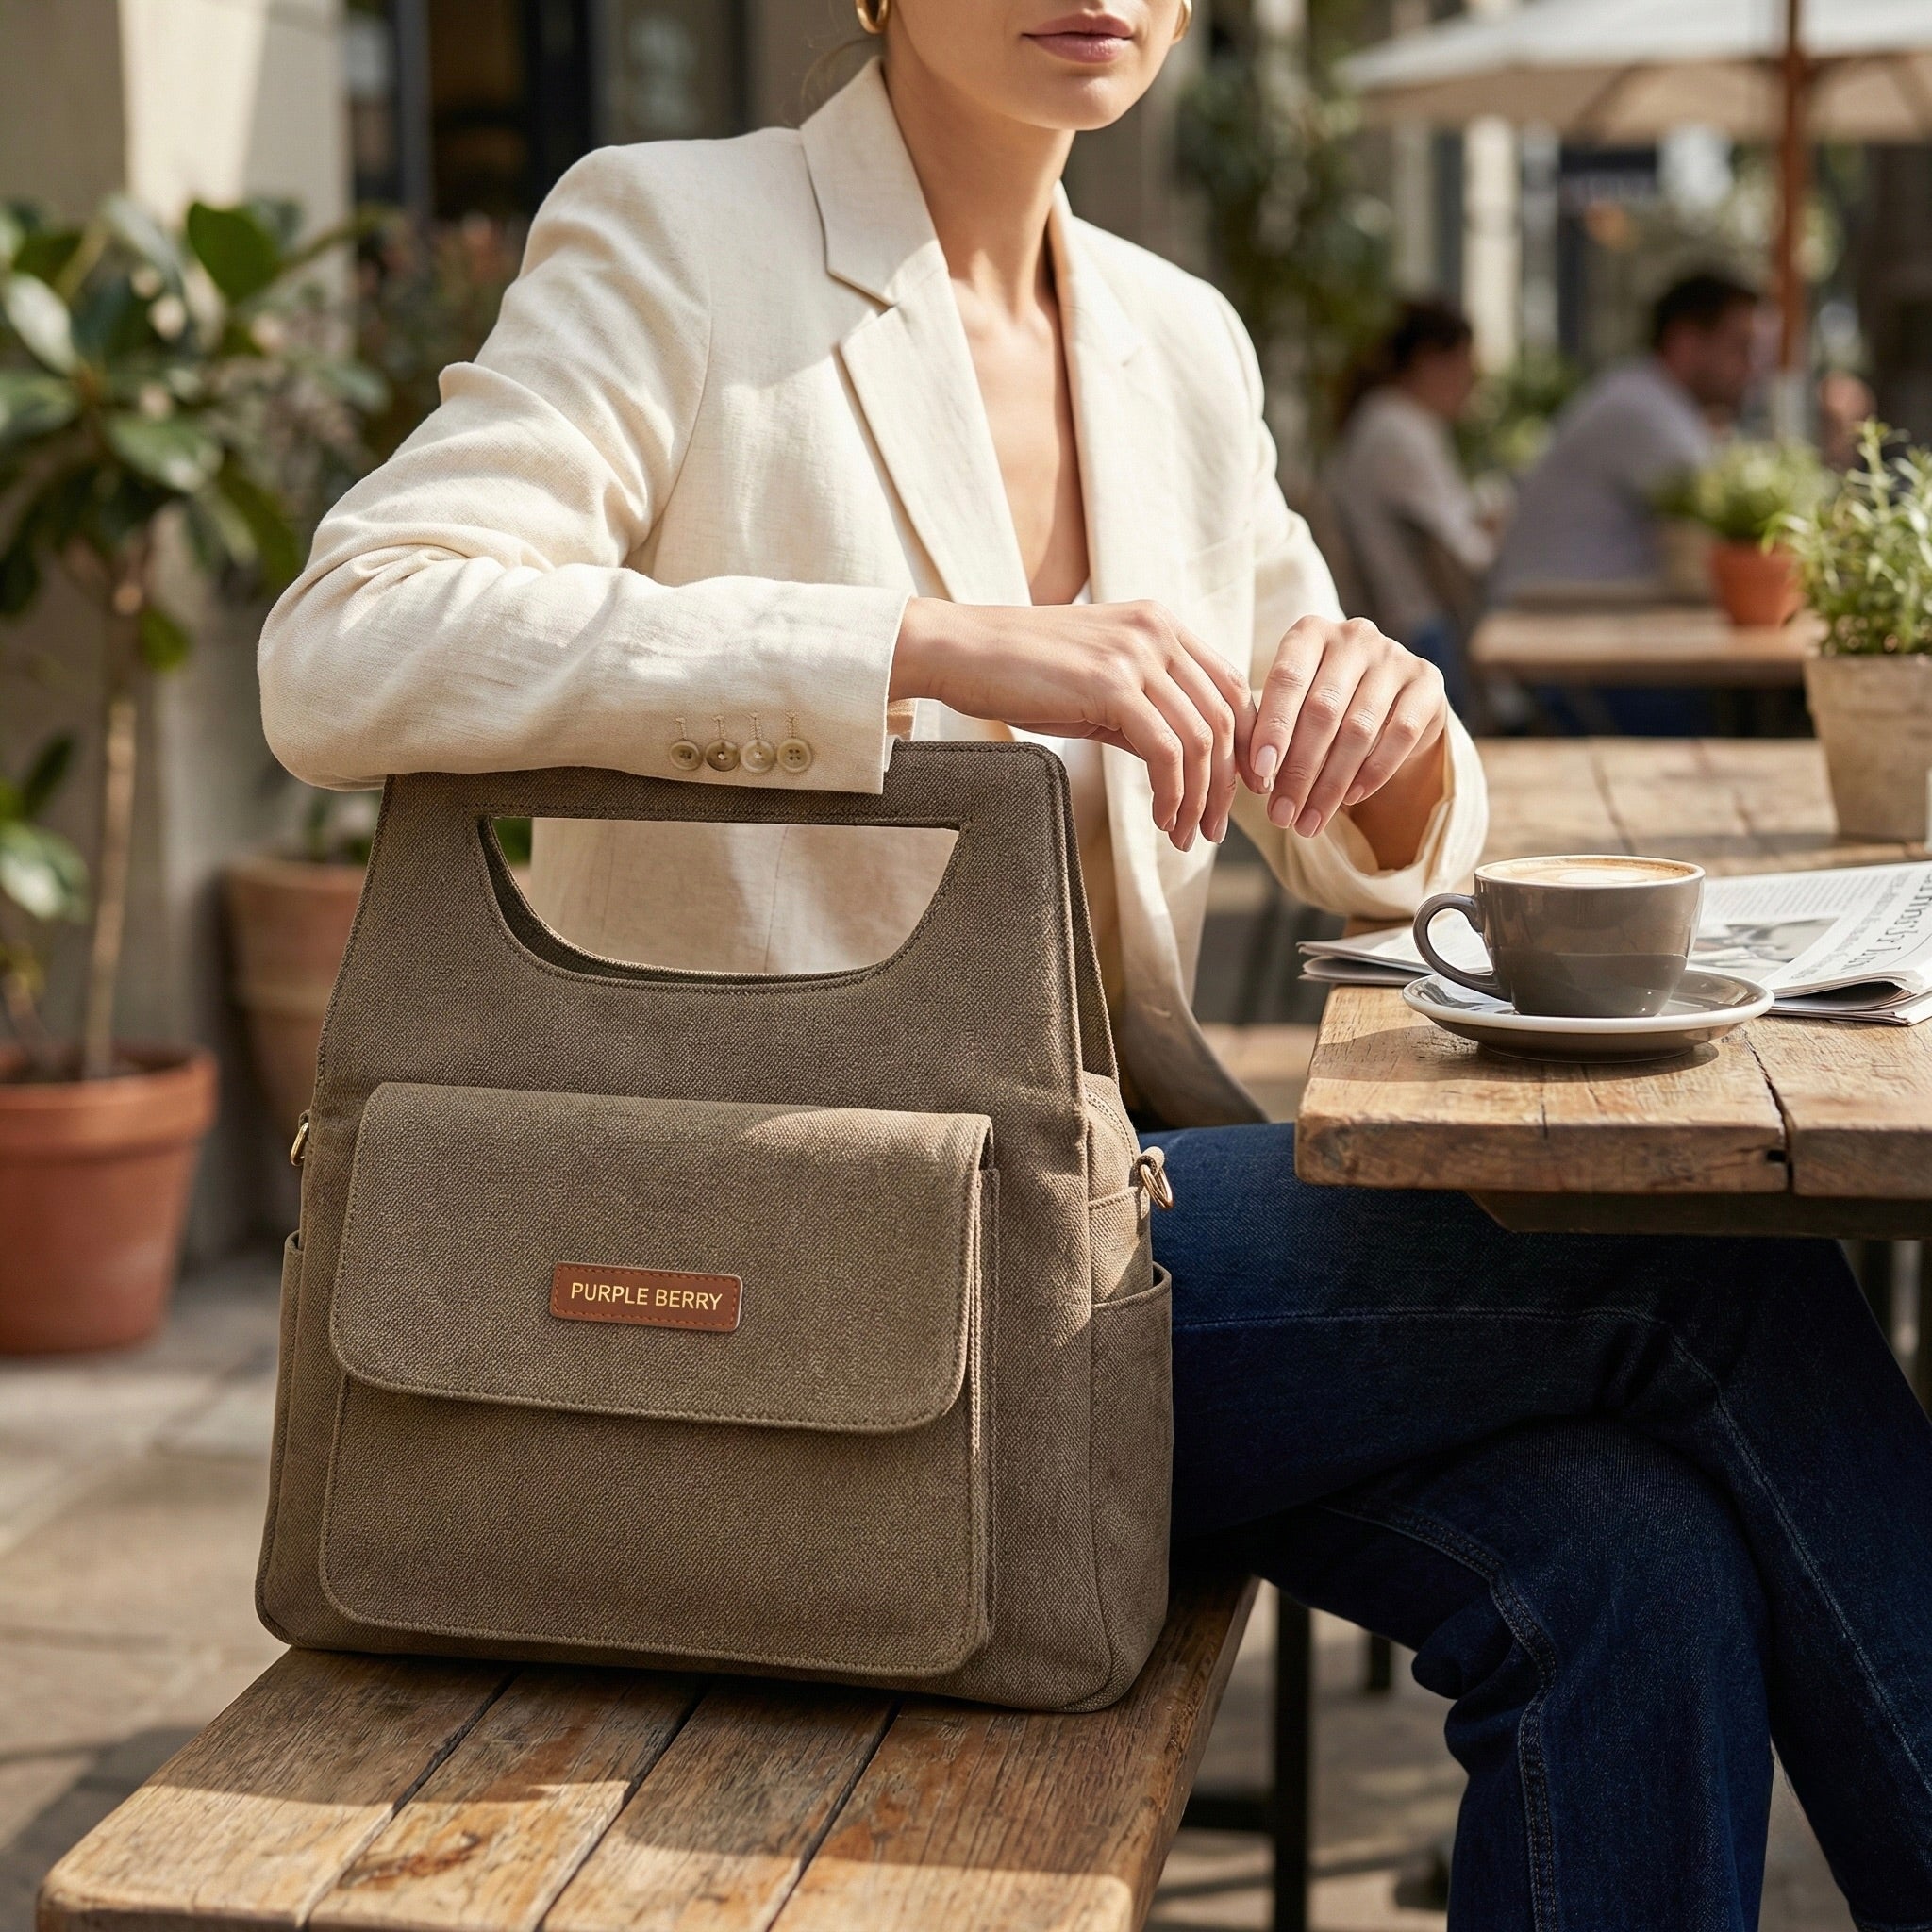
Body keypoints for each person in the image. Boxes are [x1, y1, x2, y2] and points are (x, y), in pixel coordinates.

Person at [257, 9, 1932, 1925]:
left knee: (1636, 1566)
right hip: (774, 1260)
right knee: (1685, 1256)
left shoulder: (1173, 342)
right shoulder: (676, 236)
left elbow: (1359, 812)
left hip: (1089, 1237)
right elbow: (349, 640)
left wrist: (1386, 739)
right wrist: (912, 642)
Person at [1493, 271, 1761, 601]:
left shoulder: (1645, 394)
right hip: (1549, 617)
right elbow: (1733, 523)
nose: (1752, 369)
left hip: (1567, 609)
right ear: (1686, 343)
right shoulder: (1641, 411)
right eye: (1740, 348)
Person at [1324, 298, 1493, 710]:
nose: (1471, 383)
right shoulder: (1398, 431)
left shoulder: (1387, 421)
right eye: (1463, 367)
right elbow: (1465, 551)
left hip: (1400, 629)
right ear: (1430, 361)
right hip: (1415, 637)